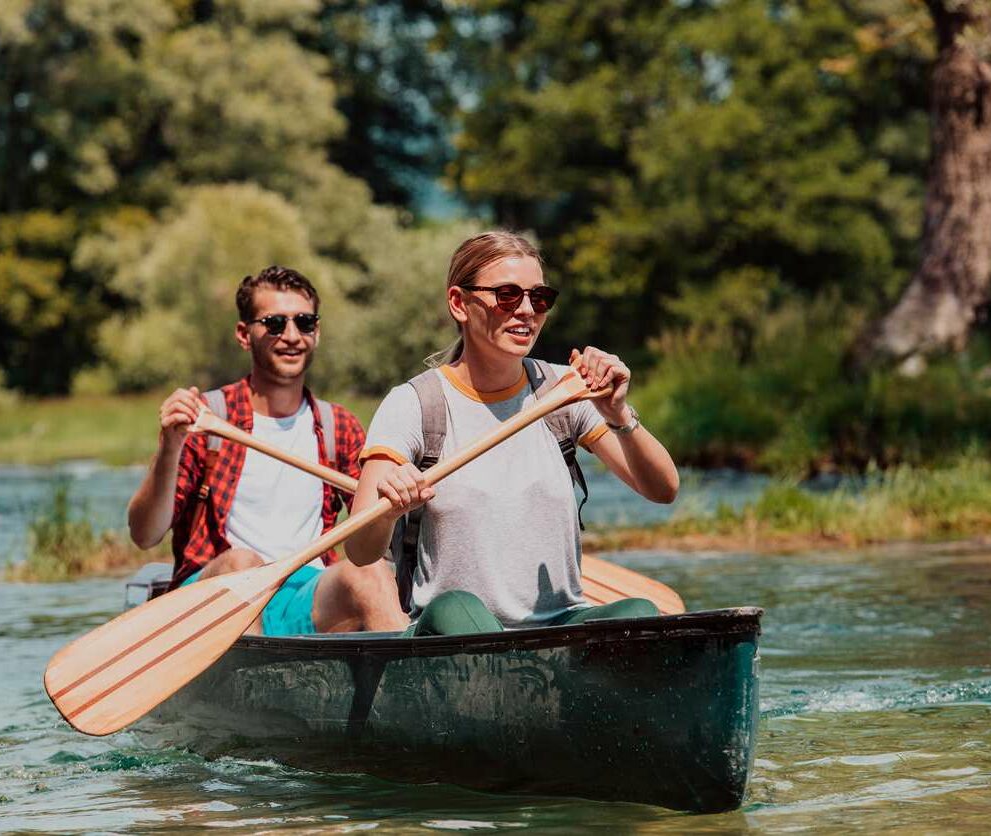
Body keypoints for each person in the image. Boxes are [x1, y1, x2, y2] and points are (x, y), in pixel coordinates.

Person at [345, 231, 680, 635]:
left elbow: (663, 489)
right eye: (507, 295)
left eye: (539, 298)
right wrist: (391, 509)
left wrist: (617, 412)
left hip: (557, 625)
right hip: (450, 629)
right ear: (459, 303)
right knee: (458, 610)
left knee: (639, 612)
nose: (526, 311)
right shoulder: (415, 403)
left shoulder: (564, 391)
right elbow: (360, 550)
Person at [127, 266, 407, 636]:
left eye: (304, 323)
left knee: (370, 573)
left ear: (316, 332)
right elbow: (145, 534)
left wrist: (399, 500)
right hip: (214, 592)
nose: (291, 335)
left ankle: (409, 685)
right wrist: (170, 445)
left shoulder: (338, 425)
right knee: (242, 565)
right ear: (245, 335)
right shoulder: (207, 420)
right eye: (274, 323)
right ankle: (259, 688)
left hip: (304, 591)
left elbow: (373, 530)